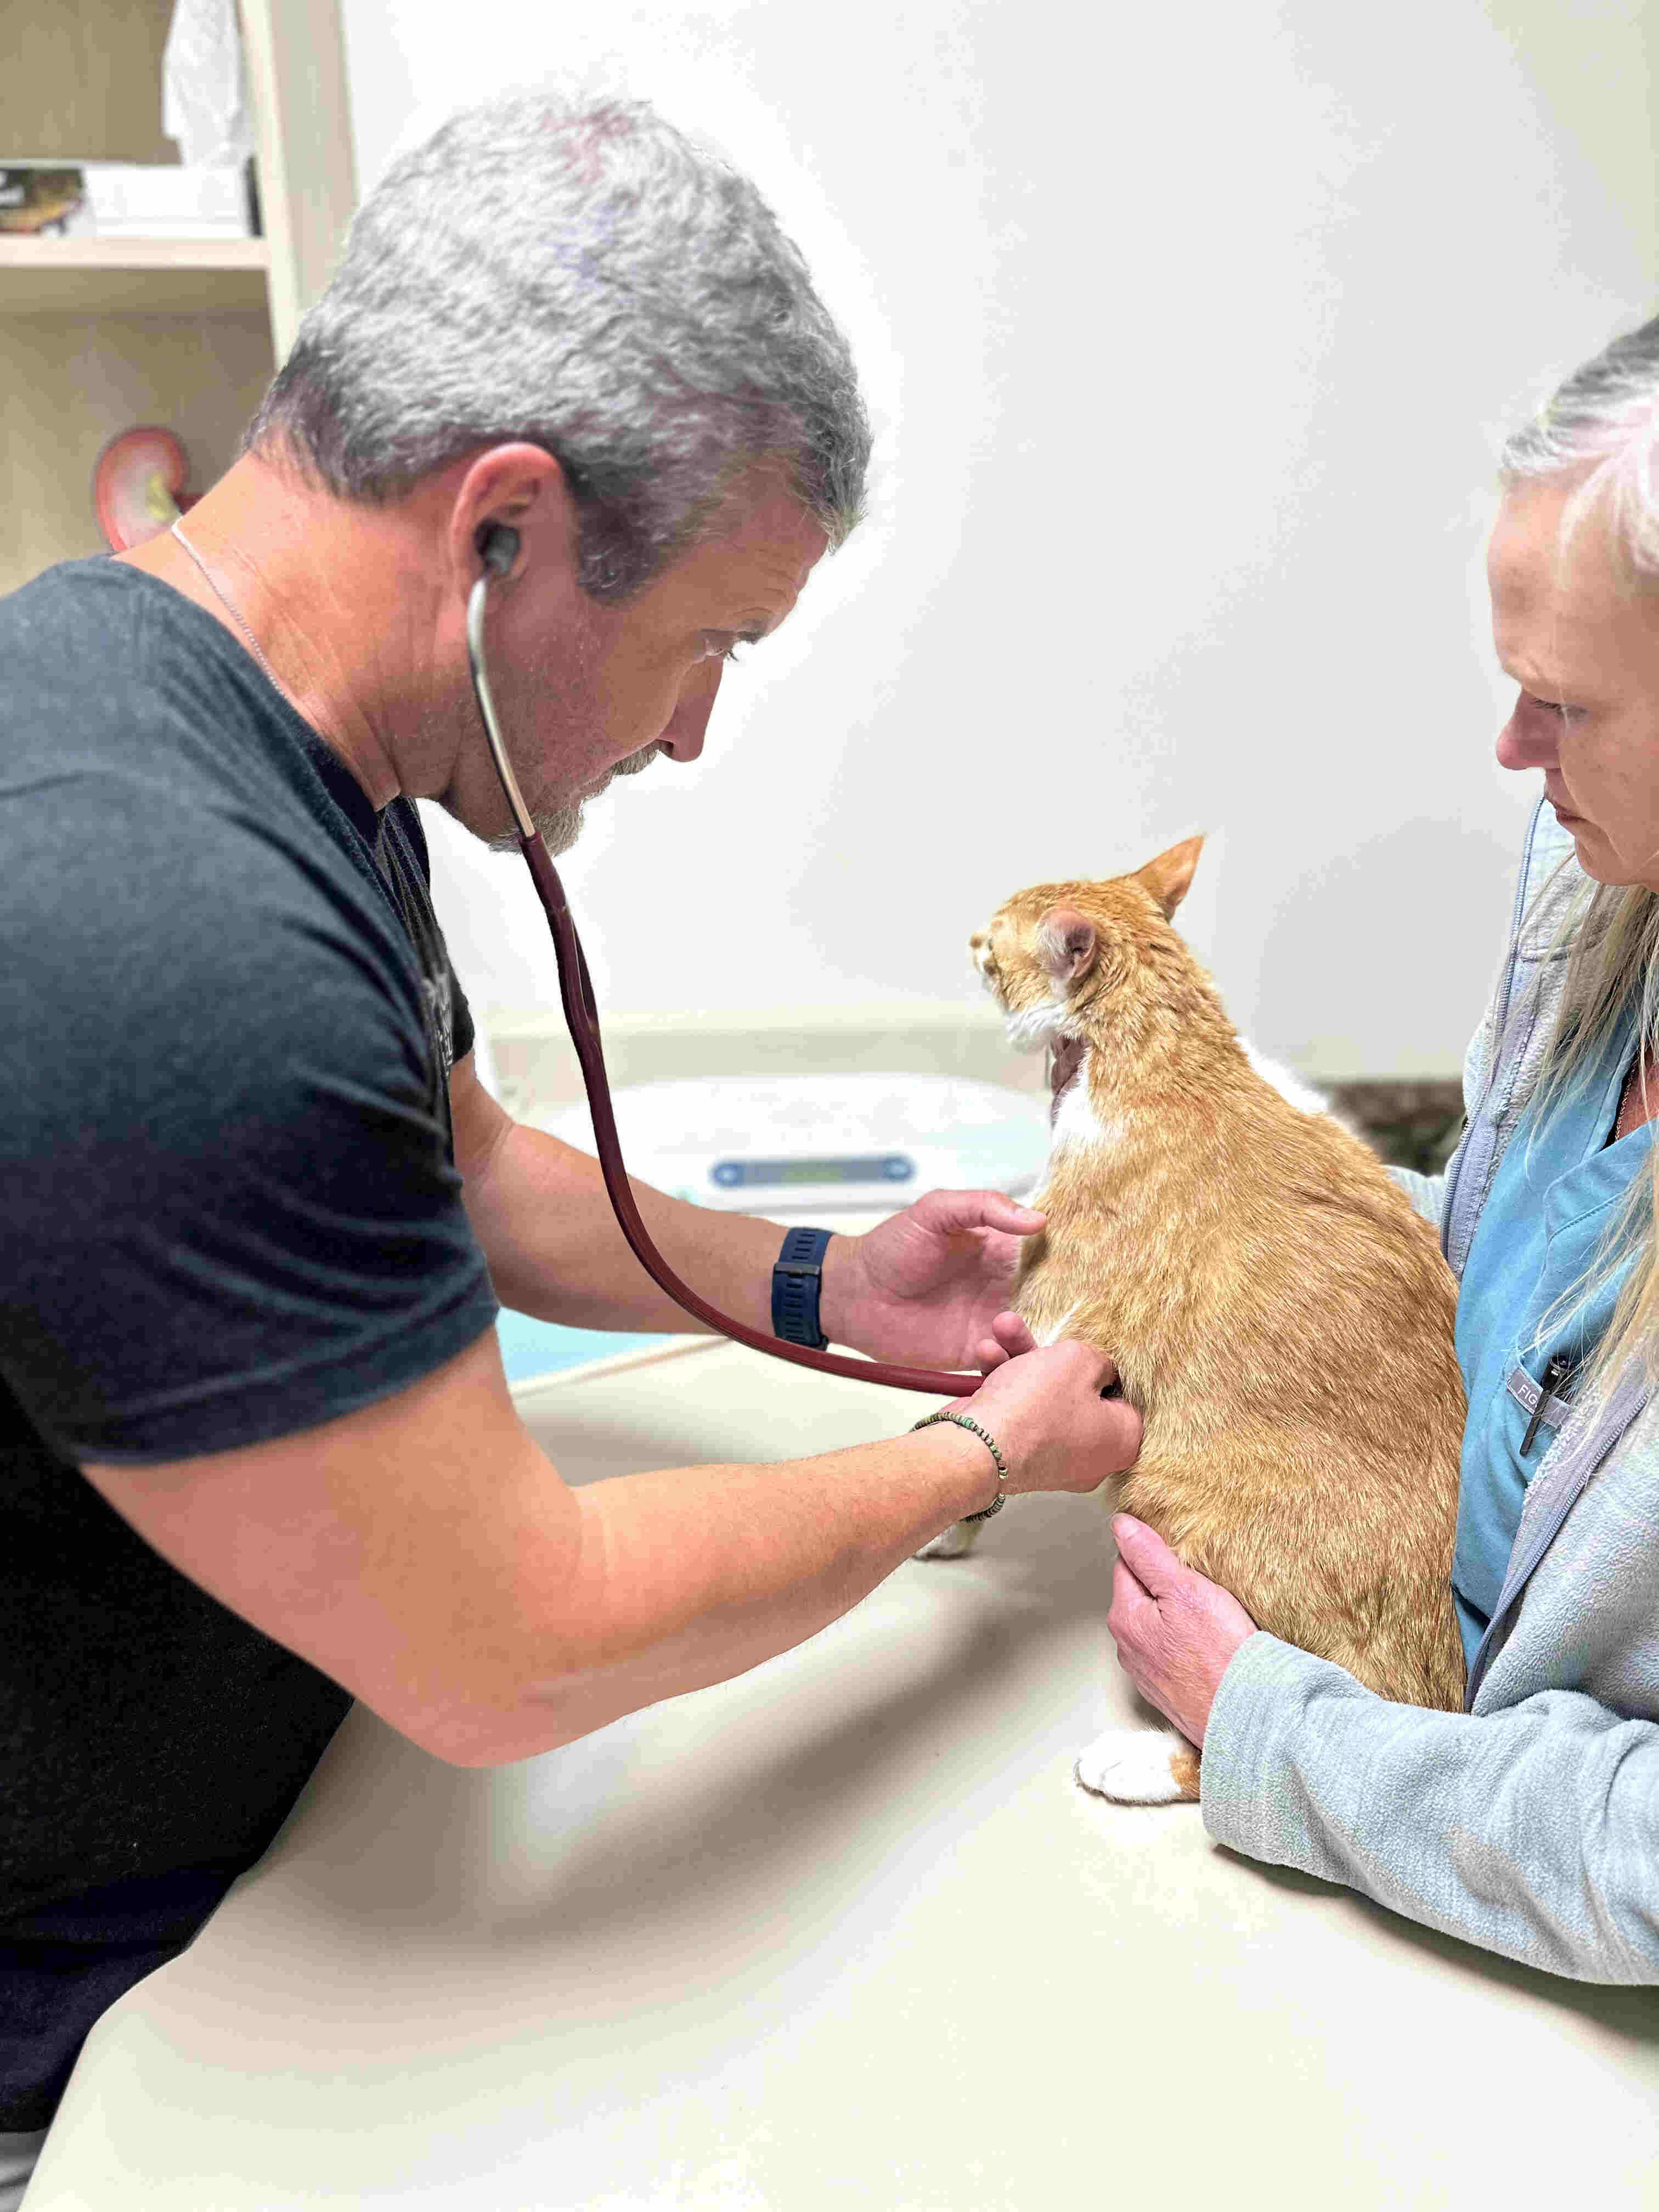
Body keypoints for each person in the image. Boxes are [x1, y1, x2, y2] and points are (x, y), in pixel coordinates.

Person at [0, 93, 1143, 2178]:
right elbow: (519, 1649)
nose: (699, 731)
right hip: (85, 2032)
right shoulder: (170, 931)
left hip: (274, 1827)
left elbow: (464, 1168)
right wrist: (978, 1459)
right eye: (711, 641)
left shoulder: (223, 707)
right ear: (503, 521)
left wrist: (828, 1288)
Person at [1109, 314, 1659, 1985]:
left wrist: (1284, 1736)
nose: (1513, 755)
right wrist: (1191, 1243)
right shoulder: (1600, 890)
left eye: (1563, 704)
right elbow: (1526, 1280)